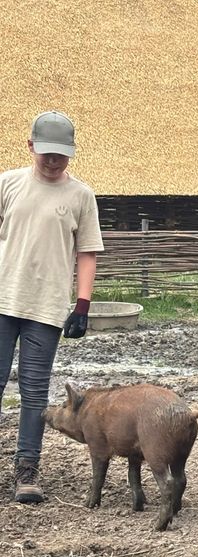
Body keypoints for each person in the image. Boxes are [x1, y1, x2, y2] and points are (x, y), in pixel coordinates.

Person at [0, 111, 103, 503]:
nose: (53, 161)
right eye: (46, 153)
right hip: (3, 300)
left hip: (45, 308)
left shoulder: (80, 196)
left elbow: (88, 252)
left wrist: (82, 306)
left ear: (71, 154)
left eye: (61, 155)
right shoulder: (8, 184)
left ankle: (27, 469)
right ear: (30, 147)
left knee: (34, 391)